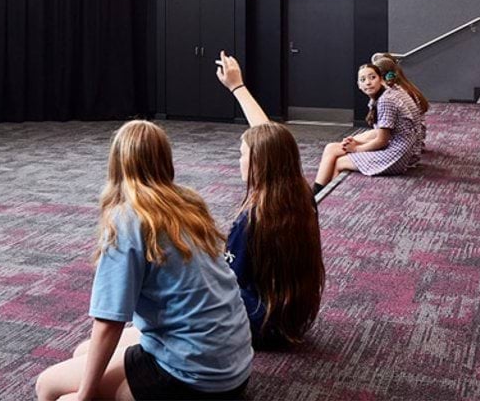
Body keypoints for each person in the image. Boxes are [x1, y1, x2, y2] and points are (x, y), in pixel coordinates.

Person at [34, 121, 253, 401]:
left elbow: (109, 323)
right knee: (83, 352)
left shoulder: (127, 220)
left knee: (49, 386)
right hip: (232, 369)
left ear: (117, 165)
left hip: (192, 378)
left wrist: (84, 396)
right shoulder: (189, 204)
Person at [212, 52, 325, 348]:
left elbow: (226, 284)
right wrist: (238, 88)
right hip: (290, 319)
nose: (238, 160)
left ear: (258, 164)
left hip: (257, 325)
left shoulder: (251, 219)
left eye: (241, 154)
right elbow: (270, 140)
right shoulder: (300, 197)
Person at [313, 53, 428, 189]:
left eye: (372, 77)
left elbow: (382, 141)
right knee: (332, 148)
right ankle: (314, 196)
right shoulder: (391, 90)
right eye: (363, 79)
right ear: (358, 85)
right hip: (405, 148)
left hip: (398, 155)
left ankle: (316, 198)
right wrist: (356, 142)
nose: (367, 82)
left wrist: (357, 148)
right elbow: (383, 131)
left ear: (381, 79)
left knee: (339, 162)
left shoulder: (386, 100)